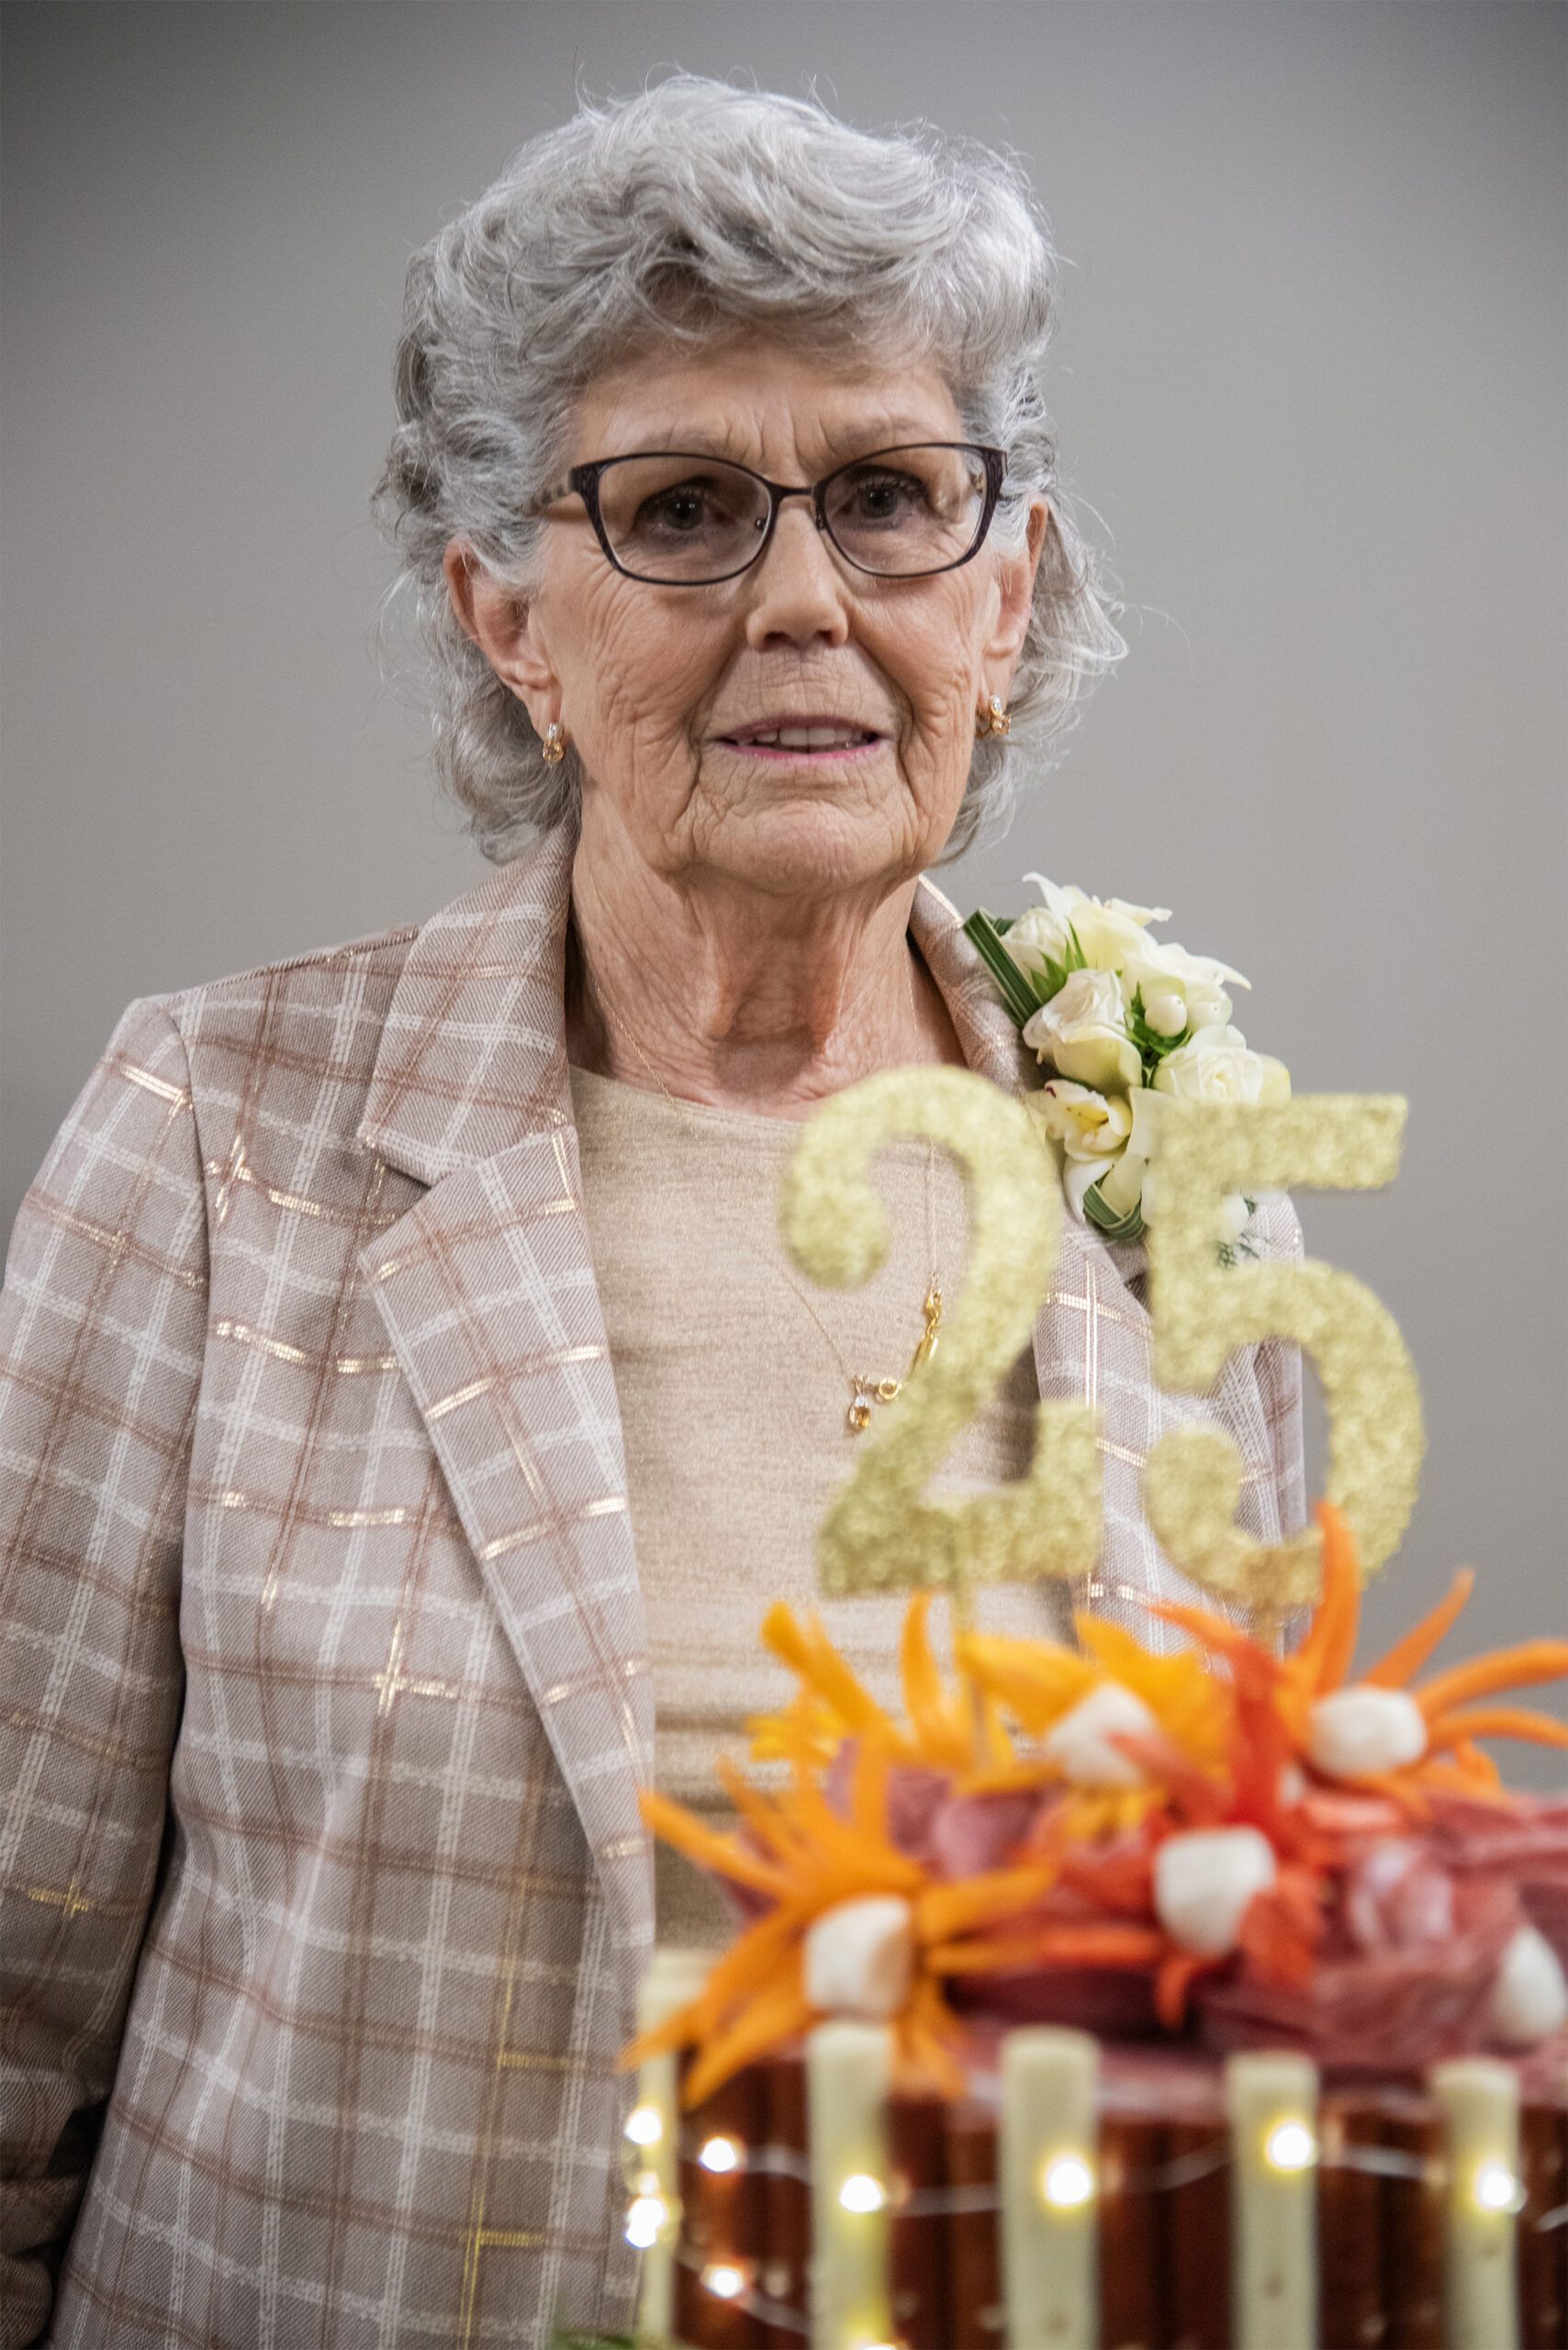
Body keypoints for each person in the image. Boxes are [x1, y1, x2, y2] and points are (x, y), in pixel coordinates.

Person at [0, 73, 1303, 2348]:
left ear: (1001, 598)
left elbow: (1276, 1975)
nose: (801, 599)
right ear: (507, 616)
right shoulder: (214, 1133)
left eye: (887, 498)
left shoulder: (1172, 1172)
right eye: (683, 509)